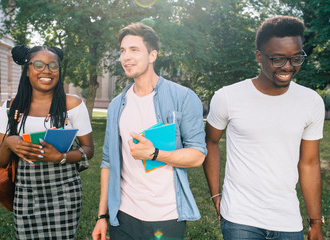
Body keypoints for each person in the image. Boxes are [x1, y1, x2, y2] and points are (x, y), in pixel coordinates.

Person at [203, 16, 325, 240]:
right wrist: (215, 193)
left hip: (288, 220)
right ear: (259, 56)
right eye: (278, 59)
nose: (288, 67)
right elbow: (210, 141)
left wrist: (315, 222)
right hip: (240, 218)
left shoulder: (311, 101)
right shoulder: (228, 97)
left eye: (296, 58)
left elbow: (309, 164)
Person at [91, 22, 207, 240]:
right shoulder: (117, 105)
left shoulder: (183, 97)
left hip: (166, 216)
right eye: (123, 51)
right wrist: (102, 216)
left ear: (152, 55)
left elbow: (197, 155)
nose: (126, 57)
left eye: (134, 50)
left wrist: (154, 154)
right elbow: (107, 162)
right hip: (123, 216)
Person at [0, 45, 94, 239]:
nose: (46, 70)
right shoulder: (10, 108)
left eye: (53, 65)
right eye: (38, 64)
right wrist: (8, 144)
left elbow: (88, 149)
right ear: (27, 70)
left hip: (65, 193)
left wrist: (61, 157)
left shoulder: (72, 104)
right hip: (26, 193)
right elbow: (0, 160)